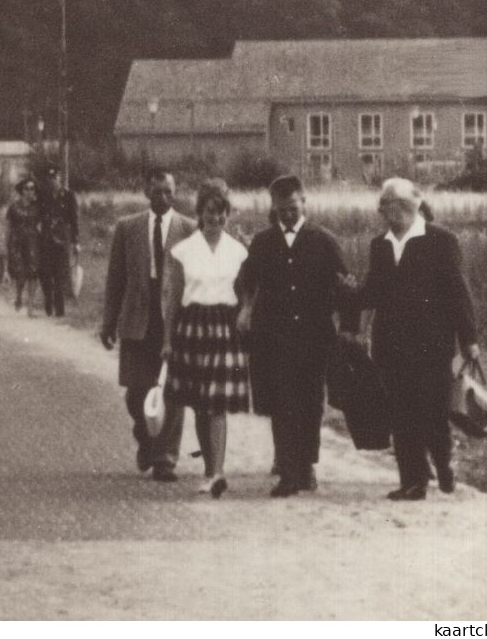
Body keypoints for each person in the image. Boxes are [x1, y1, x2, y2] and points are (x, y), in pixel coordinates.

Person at [344, 177, 480, 501]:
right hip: (391, 346)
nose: (381, 210)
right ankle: (414, 482)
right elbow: (373, 292)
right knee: (401, 413)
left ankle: (444, 467)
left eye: (385, 203)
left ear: (405, 205)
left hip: (433, 345)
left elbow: (458, 293)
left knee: (434, 413)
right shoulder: (381, 245)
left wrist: (469, 338)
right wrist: (350, 294)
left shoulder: (441, 240)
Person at [235, 175, 350, 497]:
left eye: (293, 207)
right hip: (274, 340)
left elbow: (344, 285)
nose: (287, 214)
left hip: (315, 338)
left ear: (304, 203)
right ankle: (287, 471)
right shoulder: (263, 242)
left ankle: (306, 466)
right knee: (282, 403)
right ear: (273, 208)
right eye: (281, 209)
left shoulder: (324, 241)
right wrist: (245, 308)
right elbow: (246, 281)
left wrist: (349, 328)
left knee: (311, 404)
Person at [99, 168, 194, 482]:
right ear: (145, 192)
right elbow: (116, 279)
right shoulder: (128, 228)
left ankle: (165, 459)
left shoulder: (189, 228)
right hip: (138, 317)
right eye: (157, 192)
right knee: (136, 393)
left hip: (173, 319)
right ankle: (146, 438)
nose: (164, 198)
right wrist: (108, 322)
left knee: (172, 392)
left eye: (169, 192)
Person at [161, 179, 249, 498]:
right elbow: (173, 299)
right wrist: (168, 340)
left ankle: (218, 472)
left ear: (228, 214)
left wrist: (245, 313)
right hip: (192, 327)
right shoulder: (184, 251)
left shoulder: (238, 250)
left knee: (217, 404)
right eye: (210, 212)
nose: (215, 219)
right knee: (200, 404)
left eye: (221, 212)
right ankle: (210, 469)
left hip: (224, 328)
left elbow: (246, 294)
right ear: (200, 213)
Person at [36, 165, 79, 317]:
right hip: (46, 238)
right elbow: (38, 216)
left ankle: (60, 309)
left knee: (60, 274)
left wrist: (76, 241)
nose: (52, 181)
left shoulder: (68, 195)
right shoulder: (43, 195)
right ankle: (48, 299)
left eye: (55, 178)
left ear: (60, 178)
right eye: (50, 178)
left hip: (62, 239)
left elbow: (74, 220)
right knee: (45, 272)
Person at [5, 177, 43, 317]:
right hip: (17, 243)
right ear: (21, 190)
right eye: (26, 188)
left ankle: (31, 307)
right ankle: (19, 296)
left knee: (33, 274)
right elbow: (8, 227)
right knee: (20, 274)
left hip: (33, 243)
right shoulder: (14, 207)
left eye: (32, 188)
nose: (29, 191)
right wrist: (6, 244)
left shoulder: (37, 207)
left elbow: (42, 224)